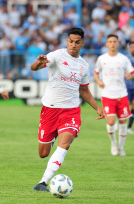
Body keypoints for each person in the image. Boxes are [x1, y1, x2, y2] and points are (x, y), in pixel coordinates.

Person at [30, 27, 107, 192]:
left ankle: (43, 182)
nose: (73, 45)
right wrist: (39, 61)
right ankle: (54, 135)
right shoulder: (56, 55)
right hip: (50, 110)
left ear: (82, 43)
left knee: (65, 144)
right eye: (71, 41)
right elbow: (34, 68)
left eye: (77, 42)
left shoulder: (83, 65)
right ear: (67, 41)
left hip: (71, 111)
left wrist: (97, 108)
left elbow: (84, 90)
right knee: (43, 153)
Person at [94, 34, 134, 157]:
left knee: (123, 122)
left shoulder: (123, 59)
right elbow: (96, 73)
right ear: (106, 44)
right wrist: (98, 81)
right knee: (111, 122)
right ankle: (113, 144)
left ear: (118, 43)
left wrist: (130, 75)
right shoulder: (102, 59)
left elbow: (132, 73)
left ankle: (121, 148)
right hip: (107, 95)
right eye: (110, 41)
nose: (112, 44)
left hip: (121, 94)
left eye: (114, 41)